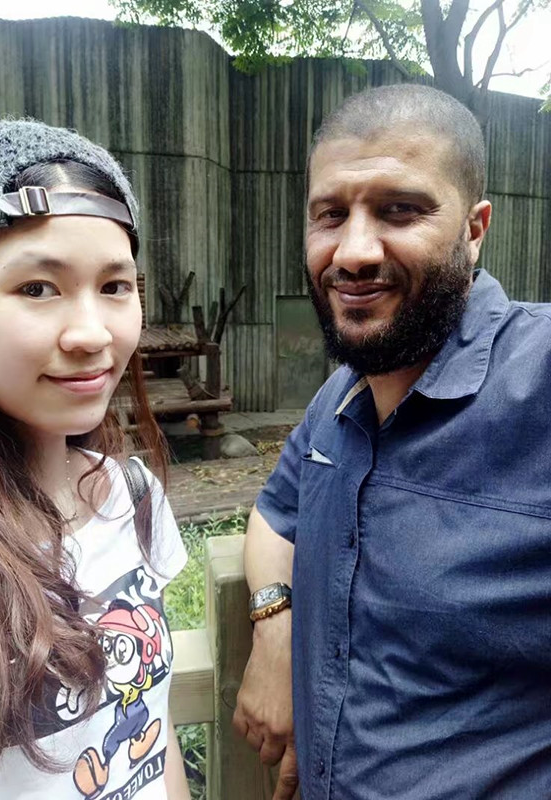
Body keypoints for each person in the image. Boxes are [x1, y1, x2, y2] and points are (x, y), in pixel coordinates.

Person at [234, 82, 551, 799]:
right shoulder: (340, 396)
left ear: (474, 229)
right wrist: (274, 627)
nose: (353, 252)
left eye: (399, 210)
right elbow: (275, 516)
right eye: (330, 215)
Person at [0, 119, 191, 800]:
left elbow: (153, 724)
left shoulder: (132, 494)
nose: (91, 333)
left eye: (115, 286)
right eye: (37, 288)